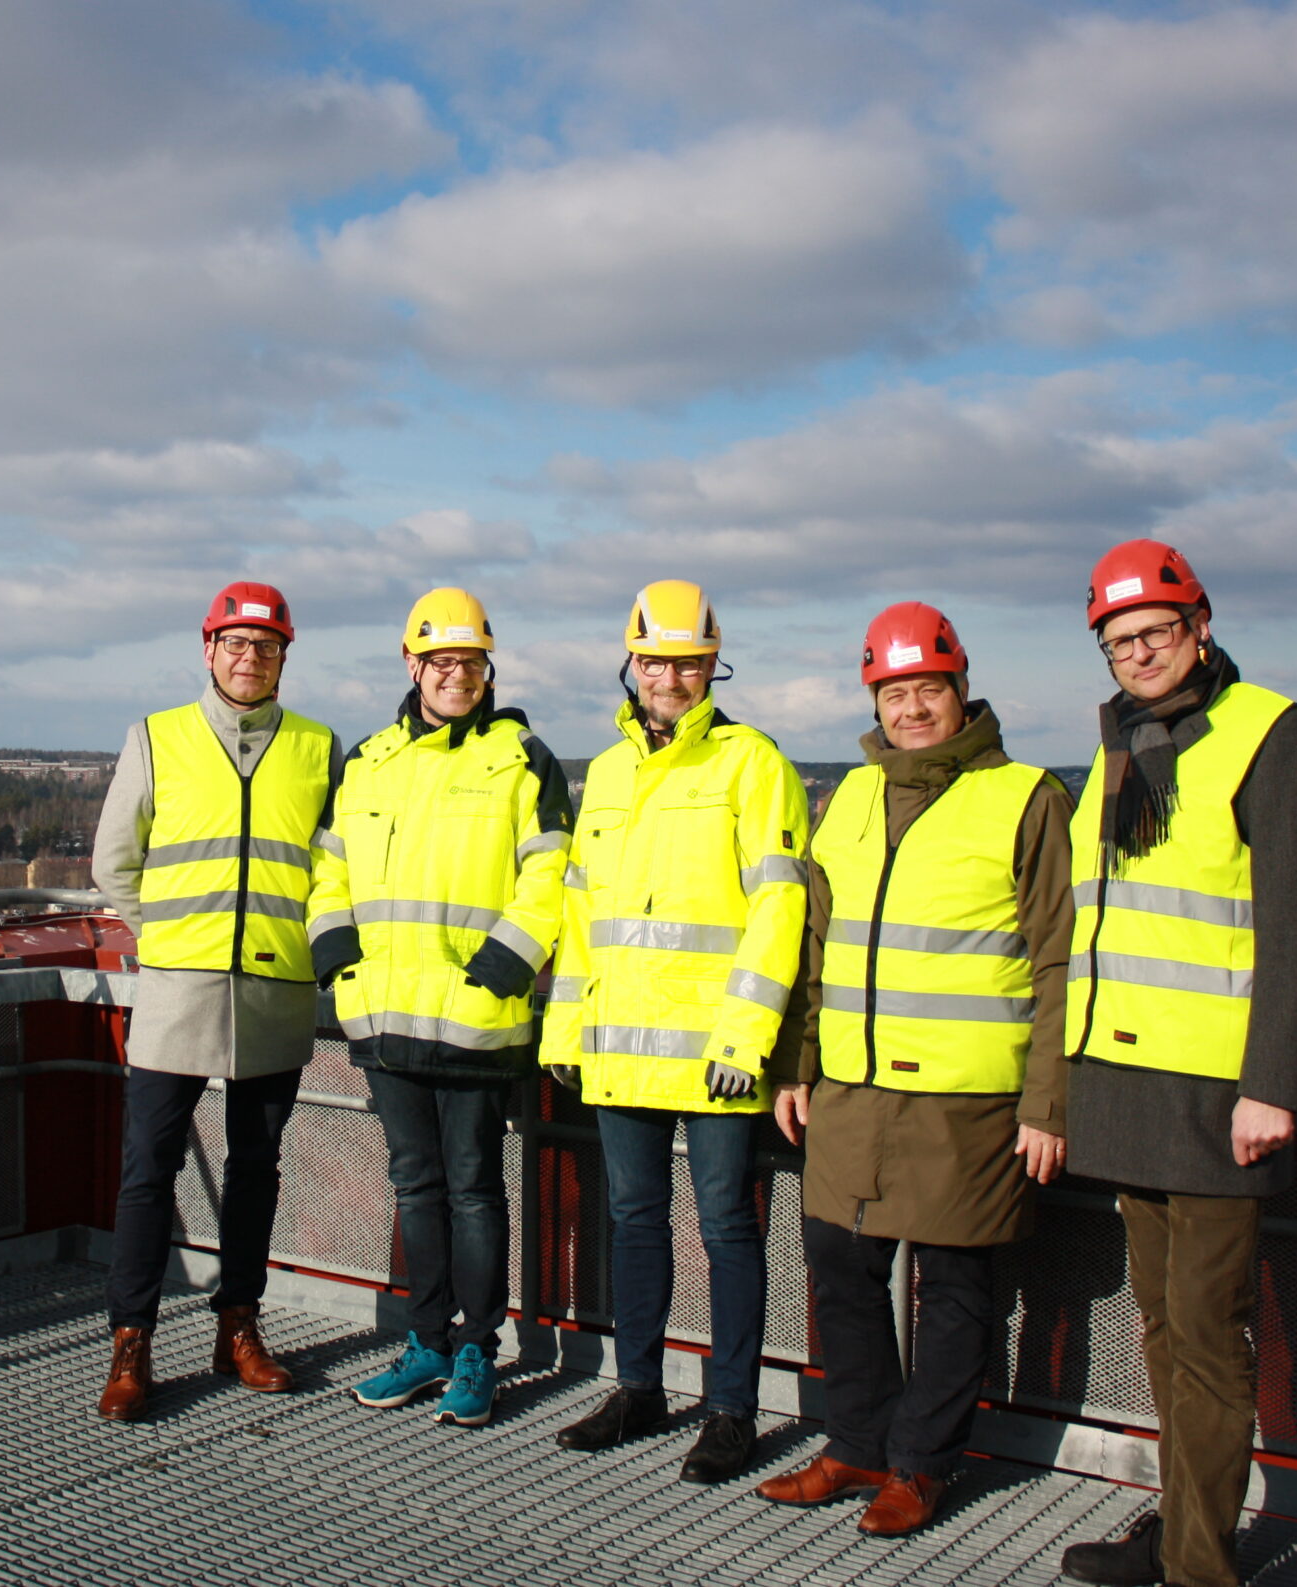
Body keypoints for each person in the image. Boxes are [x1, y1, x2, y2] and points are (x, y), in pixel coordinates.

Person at [1056, 541, 1297, 1587]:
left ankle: (1199, 1569)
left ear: (1200, 625)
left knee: (1212, 1341)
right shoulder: (1122, 745)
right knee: (1166, 1330)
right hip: (1131, 1083)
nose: (1137, 653)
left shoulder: (1274, 734)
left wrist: (1272, 1084)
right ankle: (1182, 1530)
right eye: (1118, 640)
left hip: (1221, 1095)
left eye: (1154, 633)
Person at [760, 602, 1072, 1537]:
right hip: (851, 1086)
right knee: (837, 1263)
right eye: (894, 692)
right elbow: (817, 945)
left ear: (960, 687)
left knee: (954, 1286)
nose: (912, 708)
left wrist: (1047, 1102)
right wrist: (796, 1064)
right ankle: (856, 1441)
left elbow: (1060, 955)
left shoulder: (1027, 796)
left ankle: (922, 1464)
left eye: (928, 689)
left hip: (966, 1093)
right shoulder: (849, 796)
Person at [539, 580, 810, 1484]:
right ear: (632, 664)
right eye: (656, 661)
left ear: (711, 667)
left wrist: (745, 1036)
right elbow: (583, 914)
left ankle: (732, 1409)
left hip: (716, 1054)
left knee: (730, 1227)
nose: (671, 678)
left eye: (689, 663)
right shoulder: (608, 772)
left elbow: (779, 910)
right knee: (634, 1221)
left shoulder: (751, 762)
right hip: (619, 1045)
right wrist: (564, 1029)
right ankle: (640, 1387)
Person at [308, 588, 572, 1427]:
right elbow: (329, 871)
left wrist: (502, 970)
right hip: (384, 1018)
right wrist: (337, 960)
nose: (456, 675)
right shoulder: (369, 759)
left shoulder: (520, 756)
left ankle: (474, 1352)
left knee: (472, 1189)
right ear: (413, 666)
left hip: (473, 1022)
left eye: (471, 662)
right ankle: (424, 1340)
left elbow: (549, 877)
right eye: (442, 661)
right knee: (414, 1187)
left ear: (487, 669)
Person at [88, 580, 344, 1423]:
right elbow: (114, 863)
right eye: (235, 643)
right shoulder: (156, 737)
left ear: (284, 656)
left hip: (273, 990)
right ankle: (132, 1340)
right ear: (208, 649)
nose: (249, 658)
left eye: (265, 646)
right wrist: (164, 937)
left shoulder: (317, 747)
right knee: (146, 1170)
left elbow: (334, 870)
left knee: (256, 1172)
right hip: (176, 993)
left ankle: (239, 1325)